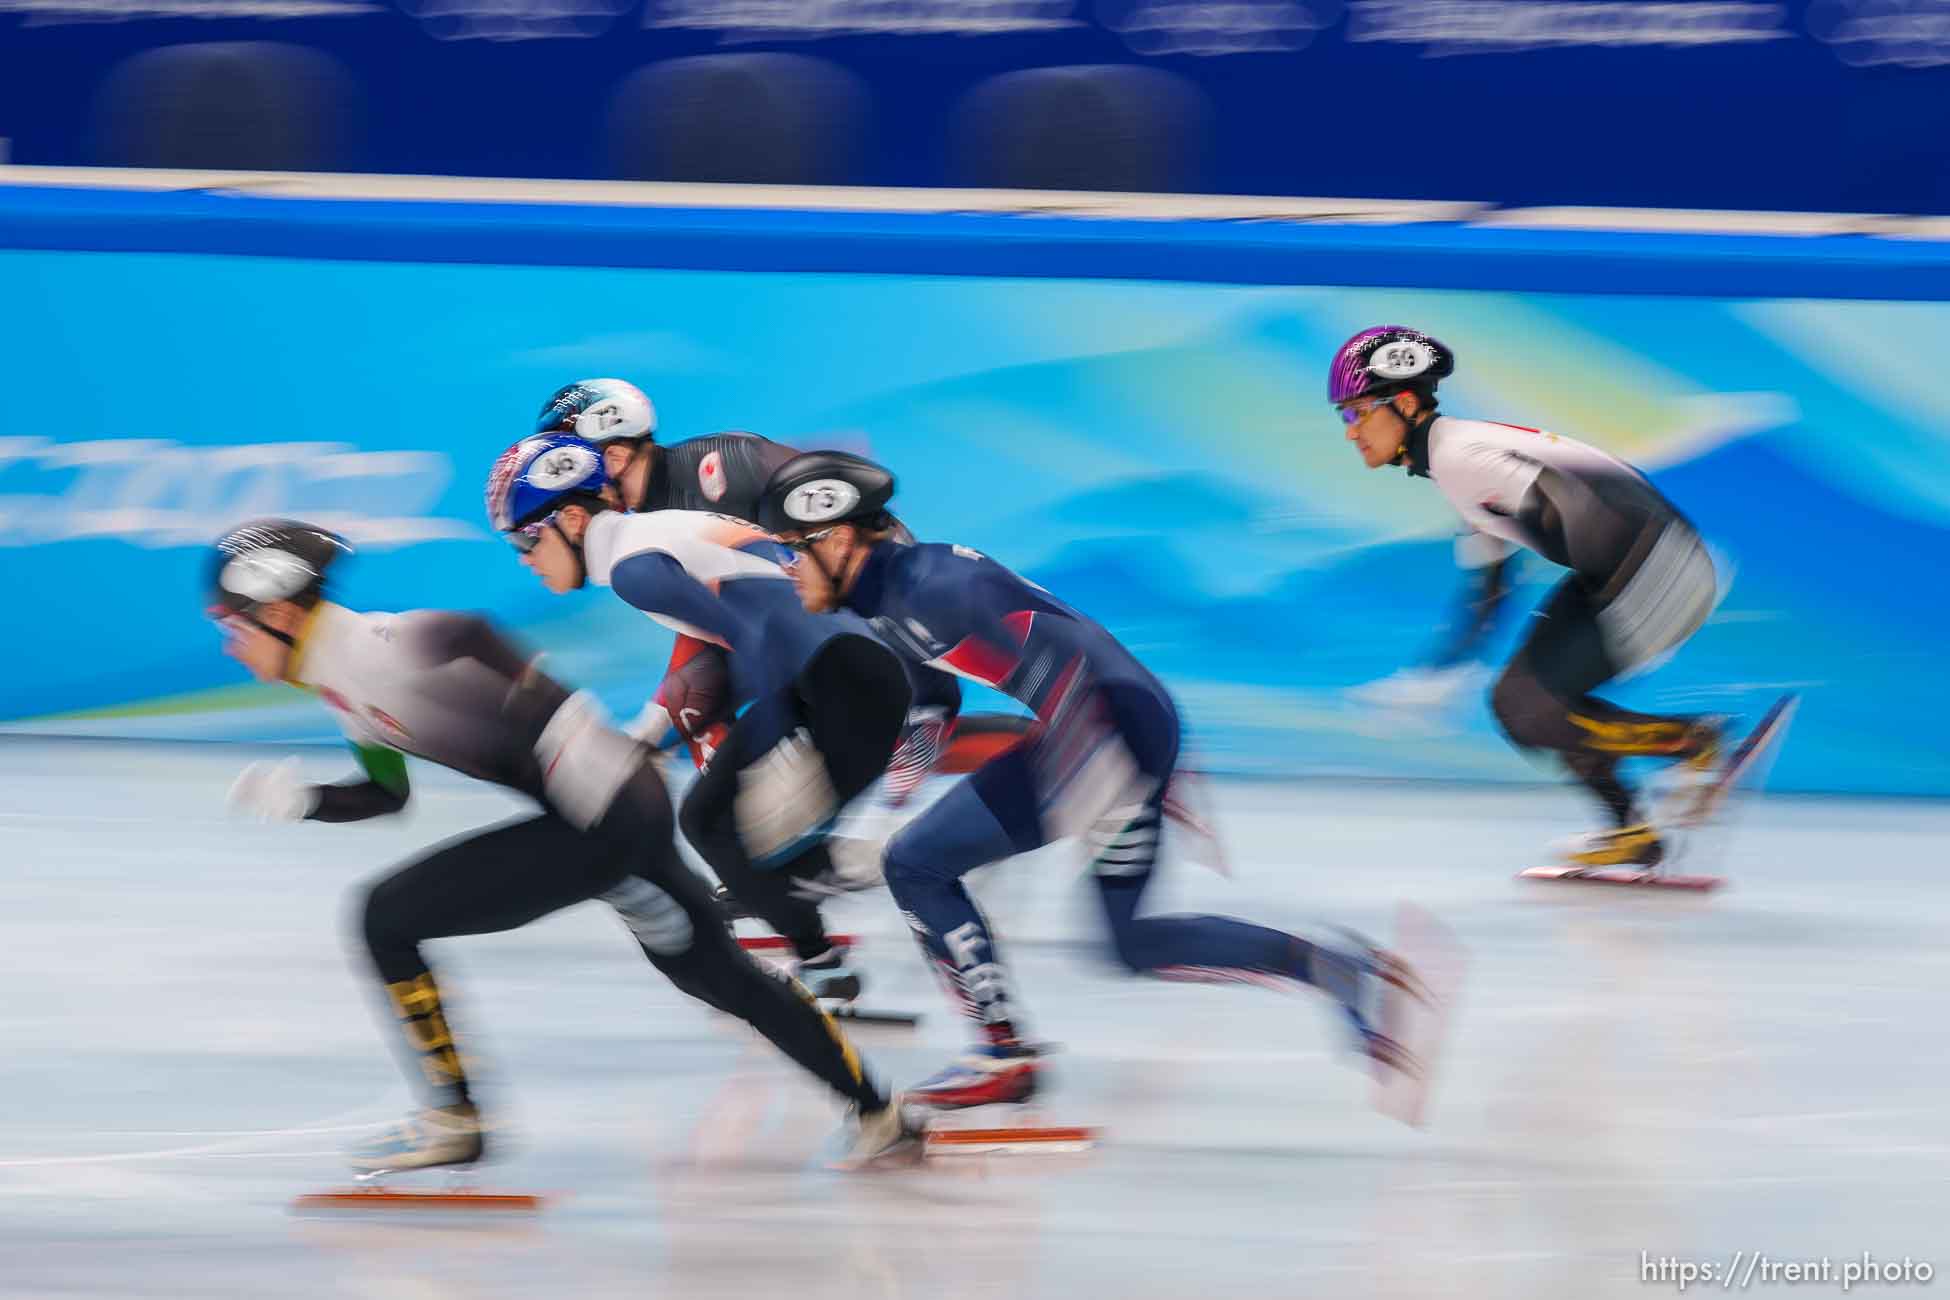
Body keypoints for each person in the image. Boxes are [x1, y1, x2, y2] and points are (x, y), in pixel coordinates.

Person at [207, 518, 917, 1173]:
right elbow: (386, 795)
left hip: (600, 816)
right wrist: (304, 801)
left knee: (383, 917)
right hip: (619, 812)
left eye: (230, 626)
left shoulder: (377, 648)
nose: (229, 646)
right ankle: (879, 1112)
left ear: (278, 611)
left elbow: (469, 634)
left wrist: (557, 722)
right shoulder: (341, 683)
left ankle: (453, 1118)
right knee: (717, 975)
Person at [754, 452, 1425, 1110]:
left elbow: (1072, 681)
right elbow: (933, 703)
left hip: (1105, 734)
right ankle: (1338, 970)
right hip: (1134, 726)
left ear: (838, 537)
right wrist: (891, 801)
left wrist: (1102, 794)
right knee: (1131, 944)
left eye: (790, 551)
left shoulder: (937, 591)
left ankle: (1004, 1055)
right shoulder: (887, 596)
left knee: (918, 865)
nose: (787, 571)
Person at [486, 434, 915, 1010]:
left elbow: (755, 640)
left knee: (733, 832)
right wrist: (651, 735)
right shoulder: (642, 544)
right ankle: (824, 961)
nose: (523, 559)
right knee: (710, 821)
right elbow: (735, 647)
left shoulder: (635, 567)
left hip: (842, 678)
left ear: (570, 517)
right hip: (833, 672)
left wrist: (772, 746)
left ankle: (887, 863)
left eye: (524, 538)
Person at [1326, 326, 1727, 869]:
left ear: (1401, 402)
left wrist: (1604, 594)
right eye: (1343, 418)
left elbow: (1569, 503)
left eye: (1356, 413)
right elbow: (1490, 592)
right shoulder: (1458, 462)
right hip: (1632, 565)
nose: (1350, 432)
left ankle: (1691, 744)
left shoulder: (1461, 458)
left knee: (1533, 708)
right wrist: (1435, 673)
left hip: (1650, 568)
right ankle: (1632, 829)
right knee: (1523, 701)